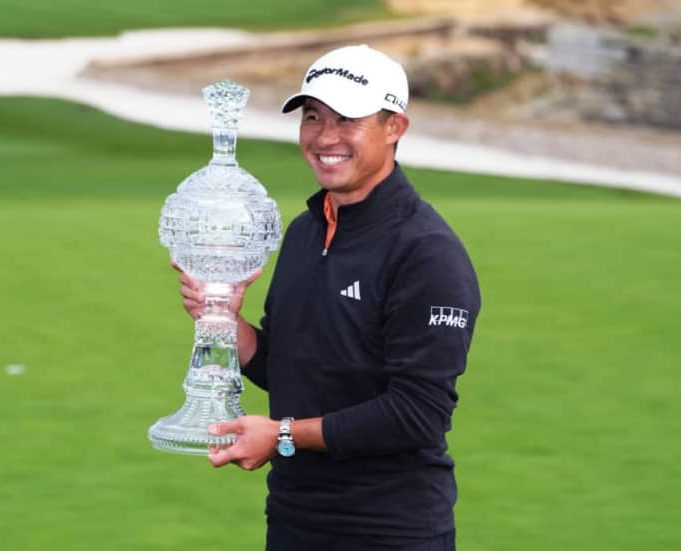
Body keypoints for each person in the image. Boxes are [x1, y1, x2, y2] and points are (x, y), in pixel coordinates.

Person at [176, 44, 481, 551]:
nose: (324, 137)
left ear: (395, 127)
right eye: (313, 117)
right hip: (294, 521)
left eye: (347, 119)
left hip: (391, 532)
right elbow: (292, 370)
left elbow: (418, 413)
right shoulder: (305, 232)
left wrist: (282, 435)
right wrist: (228, 322)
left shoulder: (427, 252)